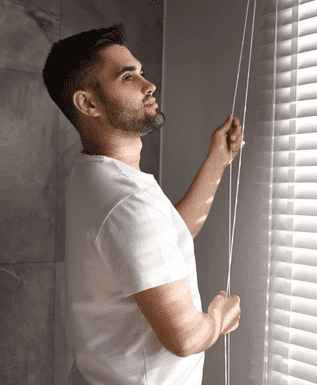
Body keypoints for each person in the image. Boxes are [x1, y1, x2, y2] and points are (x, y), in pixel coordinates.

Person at [42, 23, 243, 384]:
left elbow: (166, 234)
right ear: (88, 103)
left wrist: (217, 160)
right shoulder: (127, 202)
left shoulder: (92, 175)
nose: (149, 85)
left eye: (141, 72)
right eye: (127, 77)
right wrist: (218, 320)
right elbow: (184, 338)